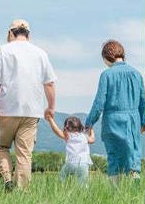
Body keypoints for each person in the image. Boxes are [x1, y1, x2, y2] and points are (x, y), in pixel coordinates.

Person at [0, 19, 57, 190]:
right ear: (29, 34)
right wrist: (50, 107)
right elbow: (49, 84)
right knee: (24, 154)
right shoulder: (41, 53)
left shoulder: (2, 50)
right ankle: (21, 192)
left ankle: (6, 179)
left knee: (1, 146)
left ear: (10, 33)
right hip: (32, 111)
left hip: (7, 109)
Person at [85, 40, 145, 181]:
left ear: (106, 57)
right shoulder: (137, 74)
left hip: (112, 121)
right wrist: (143, 121)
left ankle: (115, 193)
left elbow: (99, 103)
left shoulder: (106, 75)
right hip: (132, 120)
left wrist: (89, 123)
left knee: (114, 157)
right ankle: (133, 190)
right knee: (133, 155)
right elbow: (143, 101)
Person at [47, 115, 94, 184]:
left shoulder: (68, 136)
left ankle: (62, 188)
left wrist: (50, 120)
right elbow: (92, 140)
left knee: (61, 177)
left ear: (66, 127)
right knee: (82, 184)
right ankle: (82, 193)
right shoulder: (84, 136)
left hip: (70, 163)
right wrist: (92, 131)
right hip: (83, 164)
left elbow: (56, 130)